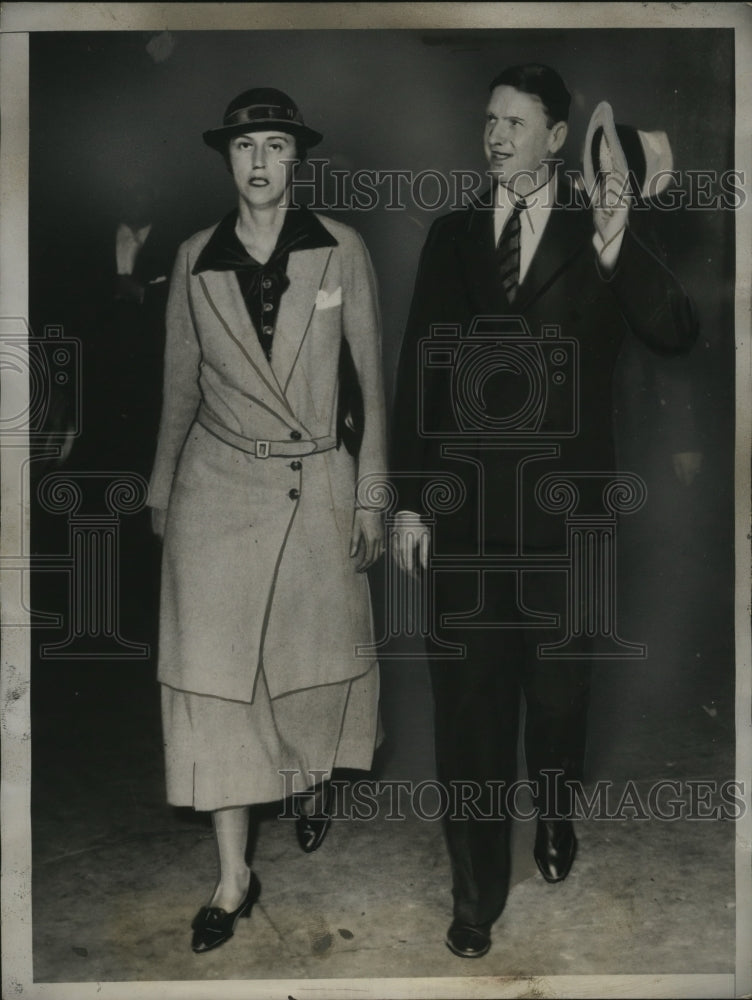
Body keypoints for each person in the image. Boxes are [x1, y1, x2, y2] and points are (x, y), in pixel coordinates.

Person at [390, 64, 697, 958]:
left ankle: (555, 810)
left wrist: (616, 241)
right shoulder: (449, 236)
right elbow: (421, 374)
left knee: (557, 702)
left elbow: (677, 329)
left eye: (515, 123)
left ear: (557, 138)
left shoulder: (597, 228)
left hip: (569, 525)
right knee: (471, 710)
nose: (494, 136)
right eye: (489, 120)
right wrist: (410, 506)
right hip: (468, 524)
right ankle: (475, 894)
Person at [148, 87, 386, 953]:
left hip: (317, 481)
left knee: (310, 670)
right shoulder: (191, 259)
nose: (259, 161)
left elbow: (370, 383)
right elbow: (179, 388)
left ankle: (309, 781)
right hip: (216, 492)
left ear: (297, 160)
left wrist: (372, 490)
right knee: (215, 684)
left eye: (276, 145)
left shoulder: (341, 250)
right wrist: (161, 492)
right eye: (246, 146)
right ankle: (233, 876)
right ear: (227, 159)